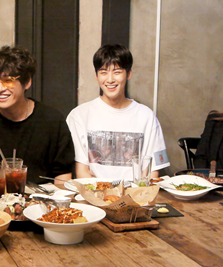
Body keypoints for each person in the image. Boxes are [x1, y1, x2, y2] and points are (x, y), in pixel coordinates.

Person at [66, 44, 169, 182]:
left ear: (129, 73)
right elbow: (81, 172)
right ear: (96, 75)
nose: (110, 79)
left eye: (117, 72)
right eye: (103, 72)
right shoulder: (79, 116)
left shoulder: (146, 116)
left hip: (136, 193)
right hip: (94, 193)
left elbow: (152, 173)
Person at [0, 46, 75, 185]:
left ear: (27, 82)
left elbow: (63, 175)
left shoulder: (53, 121)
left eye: (8, 80)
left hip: (43, 197)